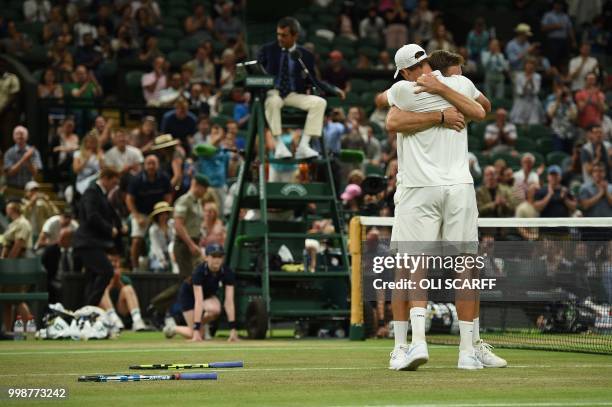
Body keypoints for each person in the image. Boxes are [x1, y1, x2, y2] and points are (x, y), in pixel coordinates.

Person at [378, 47, 505, 370]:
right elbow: (482, 110)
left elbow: (389, 116)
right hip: (457, 188)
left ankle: (418, 343)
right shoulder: (461, 85)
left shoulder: (402, 89)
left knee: (411, 266)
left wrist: (437, 90)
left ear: (406, 71)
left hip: (421, 189)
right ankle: (465, 351)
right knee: (466, 266)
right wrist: (442, 109)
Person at [257, 17, 341, 159]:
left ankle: (304, 146)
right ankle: (279, 145)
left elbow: (314, 79)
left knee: (319, 103)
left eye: (284, 35)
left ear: (295, 35)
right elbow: (257, 72)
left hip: (292, 94)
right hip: (273, 92)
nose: (280, 38)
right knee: (273, 102)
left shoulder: (305, 55)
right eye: (278, 34)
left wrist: (334, 89)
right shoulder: (267, 50)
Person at [149, 174, 208, 315]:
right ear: (197, 185)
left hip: (193, 243)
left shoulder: (197, 203)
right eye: (204, 188)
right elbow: (178, 225)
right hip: (184, 245)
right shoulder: (184, 200)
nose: (205, 192)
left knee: (196, 280)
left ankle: (162, 308)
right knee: (187, 281)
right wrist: (191, 244)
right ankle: (156, 305)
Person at [165, 243, 238, 342]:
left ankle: (201, 327)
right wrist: (196, 330)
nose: (217, 260)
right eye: (213, 256)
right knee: (195, 334)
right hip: (188, 297)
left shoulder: (227, 272)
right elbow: (198, 301)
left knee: (215, 310)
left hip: (207, 296)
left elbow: (229, 302)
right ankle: (173, 328)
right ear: (206, 258)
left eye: (220, 256)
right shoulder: (199, 272)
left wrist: (233, 329)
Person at [72, 167, 121, 306]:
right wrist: (109, 229)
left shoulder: (100, 194)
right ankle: (90, 309)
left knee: (93, 278)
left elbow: (111, 213)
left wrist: (119, 225)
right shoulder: (91, 192)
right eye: (113, 182)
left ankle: (86, 314)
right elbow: (92, 216)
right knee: (106, 271)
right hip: (86, 243)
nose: (114, 186)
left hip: (93, 243)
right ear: (105, 179)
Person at [126, 154, 172, 270]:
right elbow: (129, 200)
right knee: (137, 239)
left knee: (169, 235)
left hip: (159, 212)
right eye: (149, 163)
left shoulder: (164, 177)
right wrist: (136, 217)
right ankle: (135, 268)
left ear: (158, 165)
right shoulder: (136, 179)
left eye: (154, 163)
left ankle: (168, 263)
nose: (151, 166)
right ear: (144, 165)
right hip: (141, 212)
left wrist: (164, 211)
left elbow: (168, 196)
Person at [99, 252, 146, 332]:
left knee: (128, 288)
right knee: (101, 291)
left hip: (121, 311)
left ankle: (137, 320)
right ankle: (114, 320)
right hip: (105, 315)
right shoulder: (99, 276)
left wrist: (118, 282)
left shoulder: (124, 278)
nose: (113, 264)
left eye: (116, 261)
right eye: (110, 261)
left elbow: (129, 294)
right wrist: (112, 283)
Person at [3, 126, 42, 199]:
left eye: (22, 134)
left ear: (27, 137)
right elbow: (10, 173)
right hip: (13, 189)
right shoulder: (9, 153)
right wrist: (24, 159)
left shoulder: (34, 152)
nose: (20, 136)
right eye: (17, 134)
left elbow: (35, 173)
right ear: (14, 137)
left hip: (29, 190)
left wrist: (28, 161)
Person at [540, 0, 575, 68]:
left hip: (564, 40)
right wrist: (555, 26)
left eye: (560, 5)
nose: (558, 6)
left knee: (563, 59)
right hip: (552, 40)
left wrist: (573, 41)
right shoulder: (548, 15)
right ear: (554, 5)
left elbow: (570, 29)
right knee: (553, 59)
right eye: (557, 4)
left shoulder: (565, 16)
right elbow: (543, 28)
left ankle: (561, 76)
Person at [510, 58, 545, 125]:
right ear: (525, 65)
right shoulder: (519, 76)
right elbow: (519, 92)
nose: (530, 66)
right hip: (521, 101)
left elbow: (536, 92)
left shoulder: (537, 76)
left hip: (533, 102)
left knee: (534, 123)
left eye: (532, 64)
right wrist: (526, 82)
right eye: (528, 64)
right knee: (519, 122)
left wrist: (531, 81)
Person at [546, 81, 577, 154]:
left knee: (569, 155)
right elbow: (550, 115)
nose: (564, 95)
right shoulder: (552, 103)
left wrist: (569, 102)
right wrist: (558, 100)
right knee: (559, 154)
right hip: (557, 133)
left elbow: (574, 118)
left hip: (570, 133)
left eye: (565, 94)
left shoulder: (572, 105)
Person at [147, 201, 174, 272]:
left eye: (166, 214)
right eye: (161, 214)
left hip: (172, 254)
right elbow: (156, 247)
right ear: (157, 216)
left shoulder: (172, 224)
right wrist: (162, 260)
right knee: (159, 268)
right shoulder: (153, 229)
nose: (164, 216)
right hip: (156, 255)